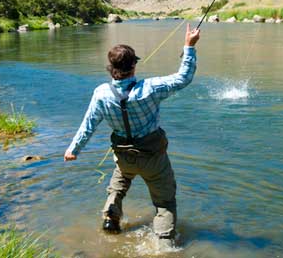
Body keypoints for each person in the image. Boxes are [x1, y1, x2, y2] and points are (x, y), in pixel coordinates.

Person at [64, 23, 201, 246]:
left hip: (125, 157)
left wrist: (73, 150)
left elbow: (88, 125)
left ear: (111, 68)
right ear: (134, 66)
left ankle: (111, 219)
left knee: (119, 183)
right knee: (165, 202)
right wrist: (189, 46)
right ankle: (164, 244)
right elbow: (183, 78)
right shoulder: (151, 88)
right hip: (153, 158)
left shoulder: (100, 93)